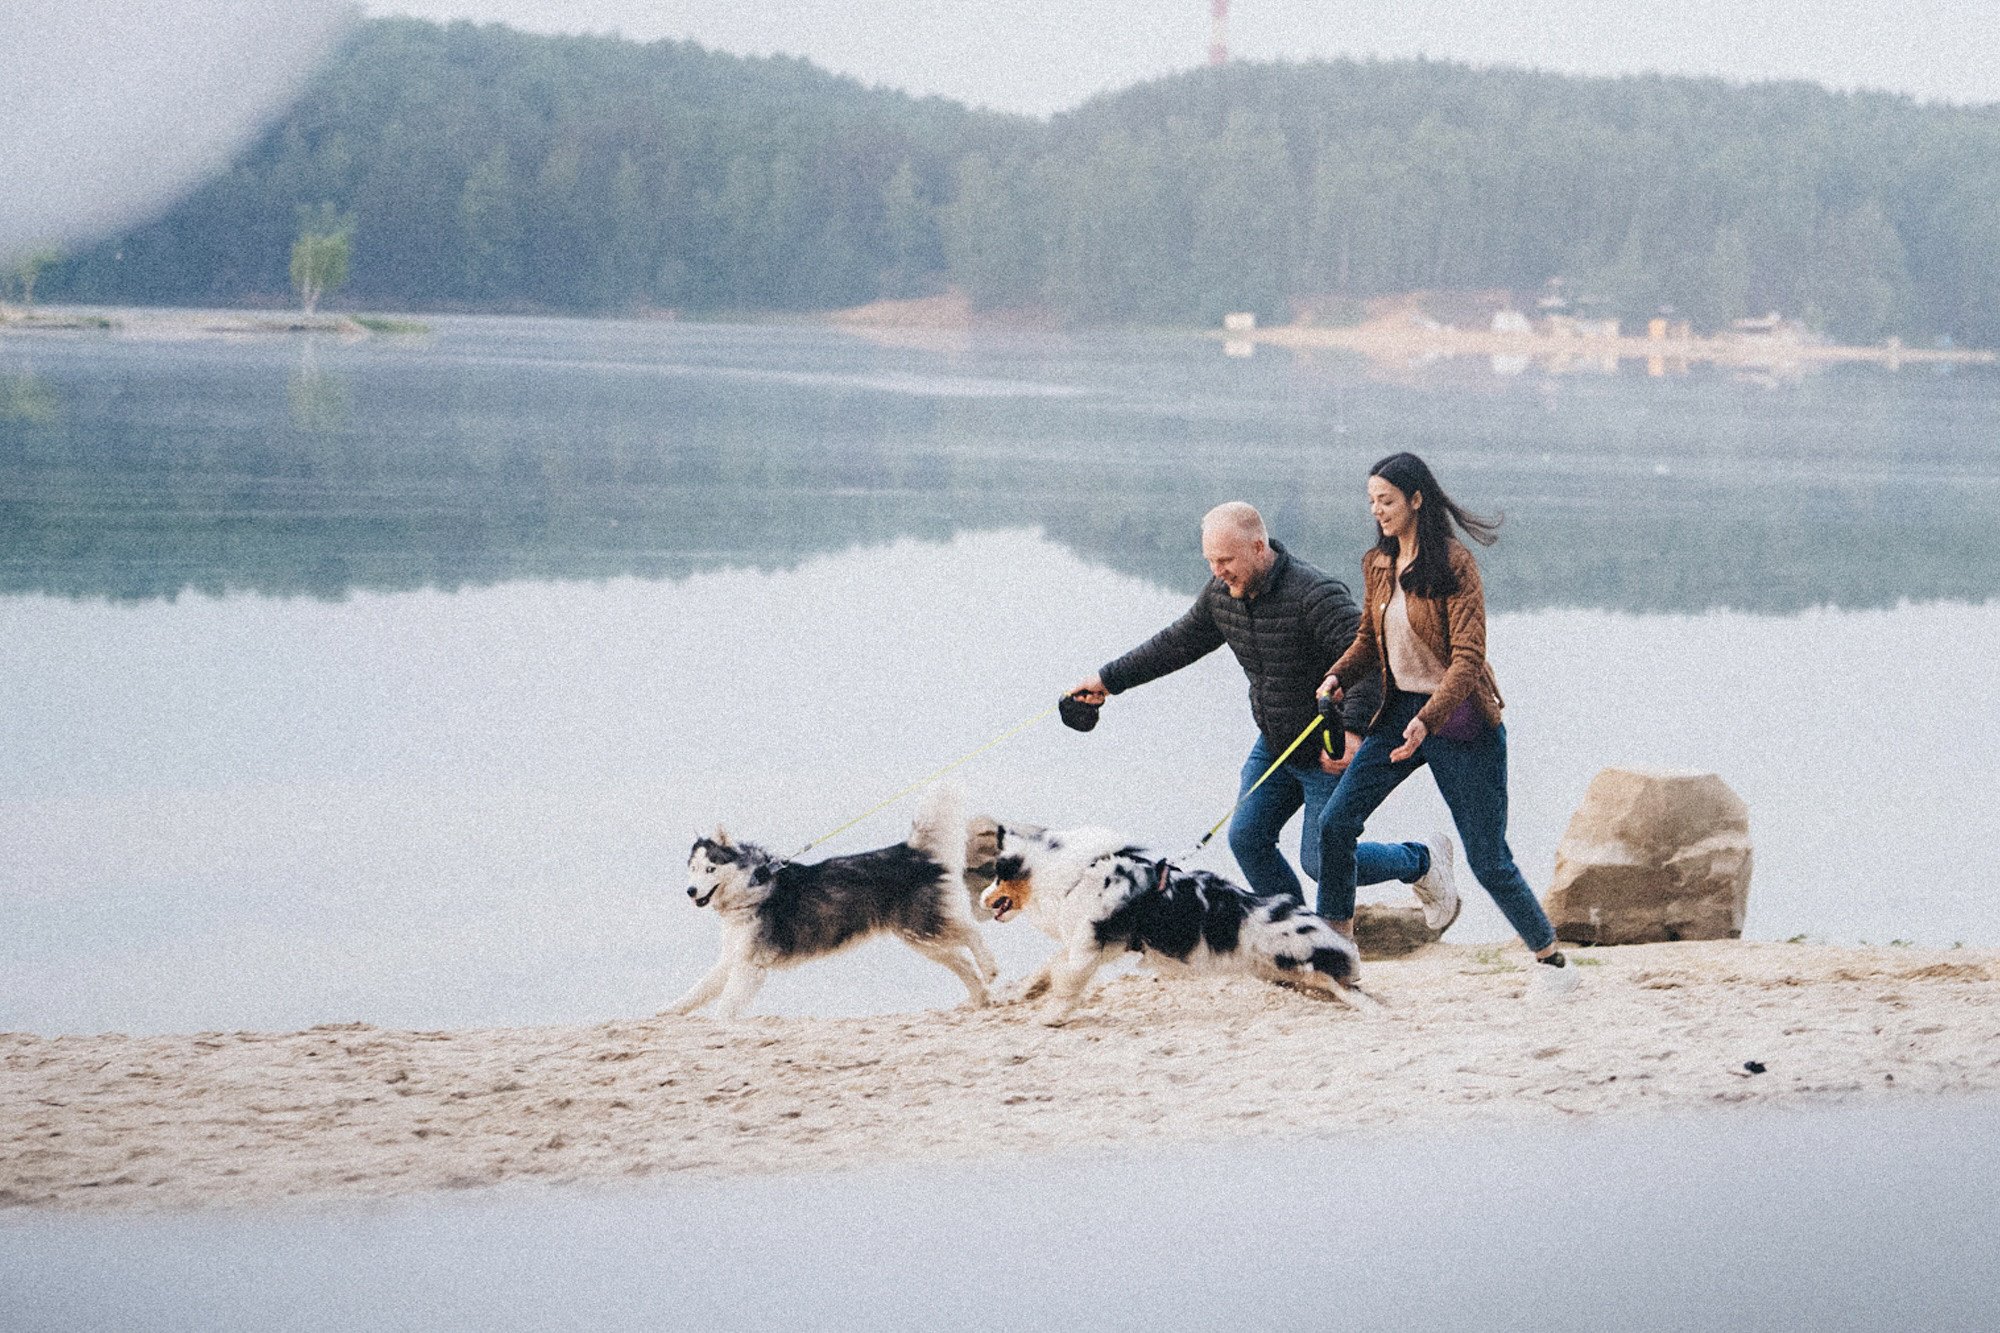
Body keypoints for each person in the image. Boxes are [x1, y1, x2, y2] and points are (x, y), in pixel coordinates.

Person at [1071, 501, 1458, 922]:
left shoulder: (1315, 595)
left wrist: (1352, 730)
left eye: (1225, 560)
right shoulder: (1222, 594)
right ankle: (1296, 930)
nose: (1217, 570)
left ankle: (1422, 861)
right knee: (1247, 837)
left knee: (1322, 860)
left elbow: (1373, 663)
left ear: (1258, 547)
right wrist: (1108, 680)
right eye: (1210, 561)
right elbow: (1175, 644)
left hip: (1328, 746)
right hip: (1275, 742)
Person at [1315, 453, 1576, 992]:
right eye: (1371, 502)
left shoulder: (1453, 564)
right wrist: (1338, 676)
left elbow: (1468, 657)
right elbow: (1370, 639)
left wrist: (1430, 720)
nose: (1377, 511)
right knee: (1334, 826)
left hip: (1460, 721)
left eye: (1386, 501)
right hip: (1397, 714)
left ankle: (1552, 962)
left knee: (1488, 860)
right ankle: (1337, 952)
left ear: (1416, 499)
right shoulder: (1378, 564)